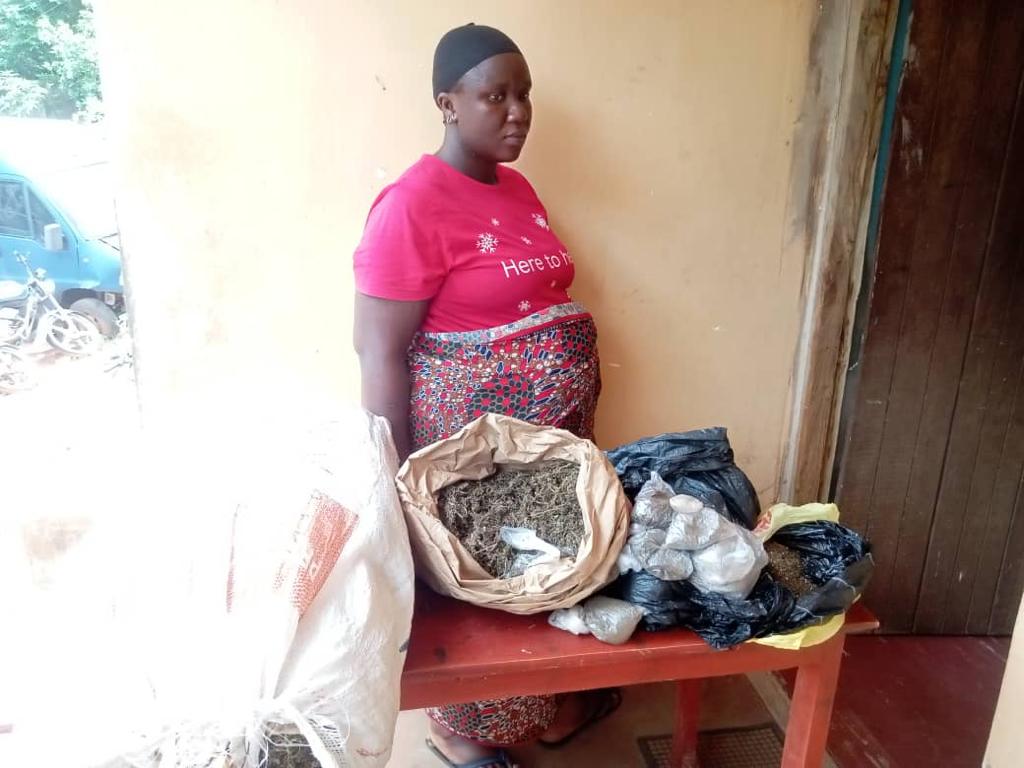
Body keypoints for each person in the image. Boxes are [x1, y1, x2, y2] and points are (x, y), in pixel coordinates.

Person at [353, 23, 619, 768]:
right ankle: (465, 733)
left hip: (544, 450)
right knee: (485, 588)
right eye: (495, 96)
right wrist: (398, 482)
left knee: (544, 577)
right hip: (474, 462)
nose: (518, 112)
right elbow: (378, 351)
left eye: (524, 94)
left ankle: (541, 713)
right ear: (448, 103)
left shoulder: (518, 189)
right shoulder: (410, 205)